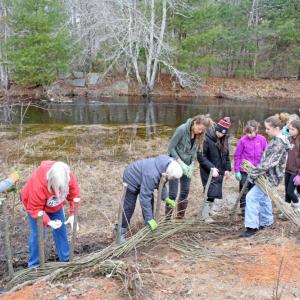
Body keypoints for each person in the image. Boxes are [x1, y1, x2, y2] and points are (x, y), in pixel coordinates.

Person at [20, 161, 80, 267]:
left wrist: (73, 214)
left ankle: (66, 259)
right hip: (34, 206)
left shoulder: (67, 175)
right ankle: (34, 265)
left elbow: (75, 194)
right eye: (57, 188)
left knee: (61, 229)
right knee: (38, 233)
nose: (60, 191)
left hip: (55, 206)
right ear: (51, 181)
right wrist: (48, 222)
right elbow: (35, 208)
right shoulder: (38, 184)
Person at [240, 115, 292, 237]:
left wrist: (253, 173)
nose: (266, 131)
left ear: (277, 128)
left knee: (251, 197)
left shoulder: (278, 143)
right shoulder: (276, 140)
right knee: (264, 197)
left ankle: (251, 227)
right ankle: (267, 222)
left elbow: (268, 163)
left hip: (271, 177)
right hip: (269, 176)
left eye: (268, 129)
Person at [118, 155, 183, 243]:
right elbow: (144, 198)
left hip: (143, 176)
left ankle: (147, 229)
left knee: (150, 200)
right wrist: (150, 218)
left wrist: (166, 198)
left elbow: (161, 183)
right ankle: (120, 231)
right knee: (129, 206)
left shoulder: (167, 164)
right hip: (131, 177)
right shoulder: (152, 174)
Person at [167, 115, 212, 220]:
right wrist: (180, 162)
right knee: (173, 194)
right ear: (195, 122)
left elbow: (194, 150)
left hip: (187, 165)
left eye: (202, 130)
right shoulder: (182, 129)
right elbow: (171, 147)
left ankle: (179, 218)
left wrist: (191, 163)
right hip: (175, 164)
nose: (200, 132)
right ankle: (167, 220)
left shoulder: (199, 135)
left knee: (185, 192)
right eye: (199, 128)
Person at [198, 117, 232, 223]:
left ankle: (209, 211)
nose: (220, 135)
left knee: (215, 192)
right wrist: (211, 167)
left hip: (219, 169)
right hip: (207, 169)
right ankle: (204, 215)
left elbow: (226, 155)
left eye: (222, 134)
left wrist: (227, 169)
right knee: (210, 192)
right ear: (215, 129)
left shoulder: (224, 139)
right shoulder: (206, 138)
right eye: (218, 132)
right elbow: (201, 157)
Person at [234, 120, 268, 217]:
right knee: (244, 189)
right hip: (245, 170)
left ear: (256, 130)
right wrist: (237, 170)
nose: (249, 135)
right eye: (247, 133)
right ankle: (244, 210)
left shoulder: (262, 139)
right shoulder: (242, 140)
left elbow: (267, 153)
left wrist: (264, 167)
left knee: (255, 190)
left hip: (257, 170)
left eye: (251, 132)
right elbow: (237, 155)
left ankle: (254, 208)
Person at [284, 119, 300, 212]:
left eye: (293, 129)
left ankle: (298, 205)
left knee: (290, 192)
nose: (290, 131)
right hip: (287, 169)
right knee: (286, 191)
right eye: (289, 129)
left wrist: (299, 175)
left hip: (296, 172)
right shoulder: (289, 139)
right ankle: (287, 210)